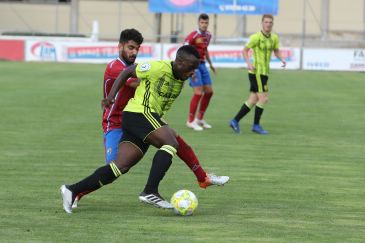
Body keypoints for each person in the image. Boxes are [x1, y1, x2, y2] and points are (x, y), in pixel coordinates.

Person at [71, 29, 229, 208]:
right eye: (130, 48)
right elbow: (132, 78)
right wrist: (158, 77)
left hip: (140, 117)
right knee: (118, 167)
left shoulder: (159, 70)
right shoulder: (116, 67)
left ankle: (203, 178)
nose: (134, 52)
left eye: (137, 48)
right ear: (120, 46)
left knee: (173, 142)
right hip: (116, 121)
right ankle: (80, 192)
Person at [229, 14, 286, 135]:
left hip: (265, 73)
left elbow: (276, 50)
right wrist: (248, 63)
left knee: (253, 99)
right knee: (264, 98)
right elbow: (244, 50)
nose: (268, 24)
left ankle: (235, 121)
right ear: (262, 23)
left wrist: (282, 59)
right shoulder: (256, 37)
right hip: (256, 72)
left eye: (270, 22)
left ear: (272, 24)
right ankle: (256, 125)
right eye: (266, 22)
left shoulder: (274, 38)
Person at [184, 13, 216, 131]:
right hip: (193, 66)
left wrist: (211, 64)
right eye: (202, 22)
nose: (204, 25)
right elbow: (184, 49)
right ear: (198, 23)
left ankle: (199, 119)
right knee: (198, 92)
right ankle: (190, 121)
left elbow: (205, 50)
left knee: (209, 92)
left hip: (203, 65)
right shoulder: (192, 36)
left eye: (206, 23)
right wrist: (188, 67)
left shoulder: (208, 35)